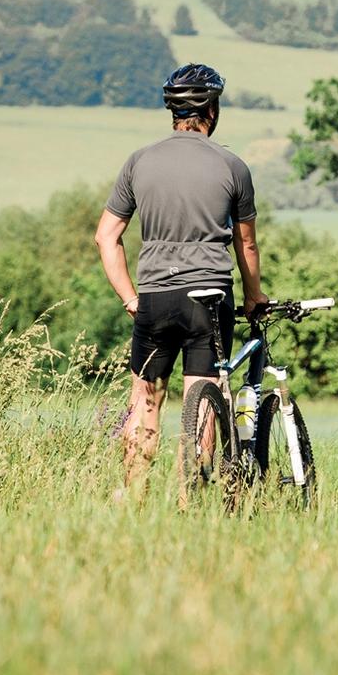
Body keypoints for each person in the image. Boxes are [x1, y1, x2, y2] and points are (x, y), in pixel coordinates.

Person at [94, 62, 267, 488]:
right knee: (203, 400)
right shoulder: (232, 165)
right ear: (212, 110)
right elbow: (246, 244)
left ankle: (132, 497)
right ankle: (194, 498)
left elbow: (105, 237)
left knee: (145, 402)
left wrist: (131, 299)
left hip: (154, 296)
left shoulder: (139, 161)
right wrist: (254, 296)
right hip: (208, 297)